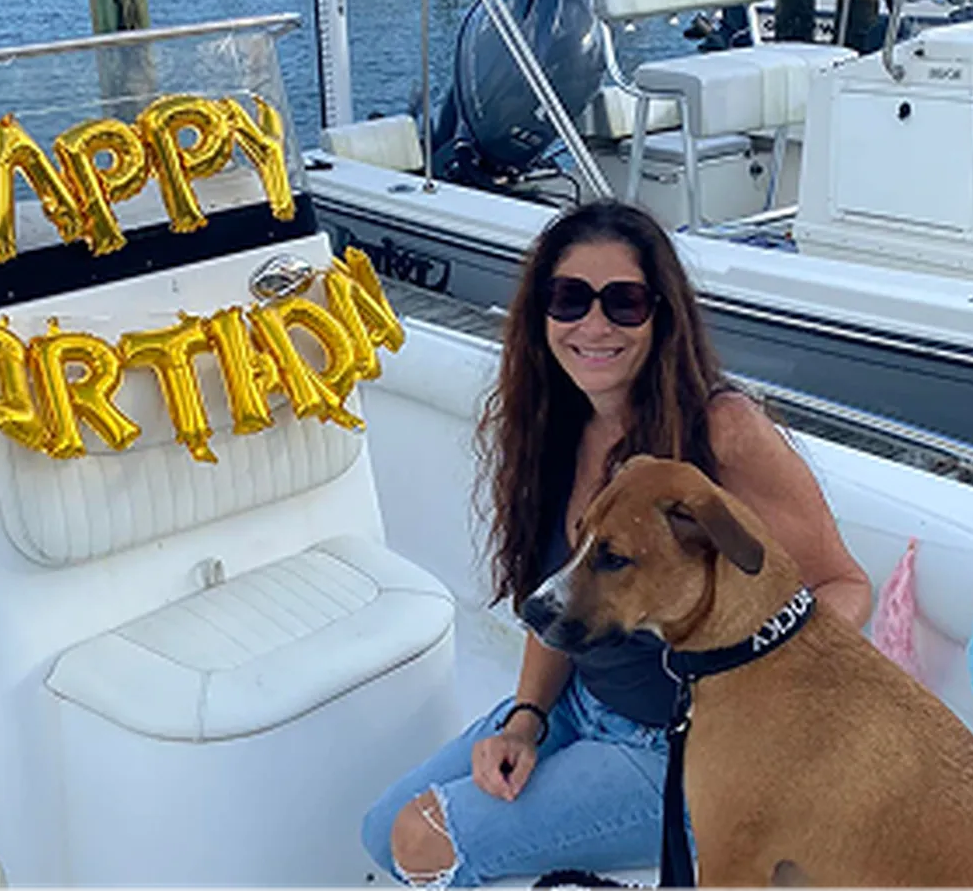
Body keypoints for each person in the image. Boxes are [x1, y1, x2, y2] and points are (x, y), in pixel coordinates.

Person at [361, 199, 872, 890]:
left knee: (422, 840)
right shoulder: (554, 423)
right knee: (382, 829)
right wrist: (525, 720)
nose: (592, 325)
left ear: (660, 316)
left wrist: (748, 690)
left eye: (623, 304)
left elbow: (843, 585)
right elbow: (557, 602)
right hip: (580, 704)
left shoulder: (721, 432)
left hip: (681, 749)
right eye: (568, 299)